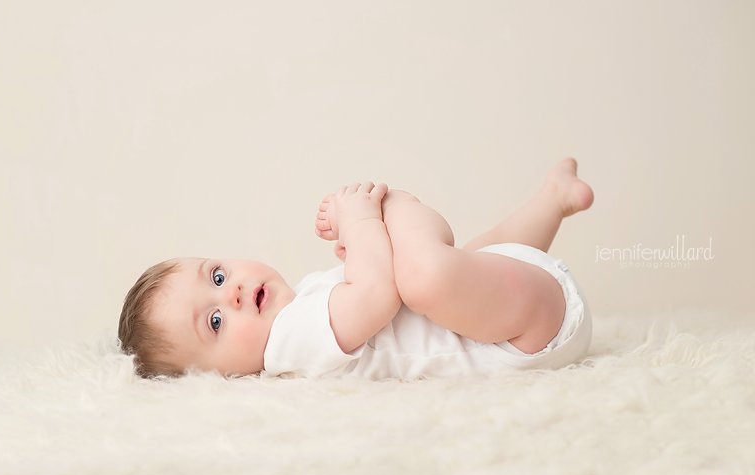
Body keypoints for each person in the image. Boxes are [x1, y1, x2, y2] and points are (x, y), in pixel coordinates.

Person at [118, 158, 594, 379]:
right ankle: (405, 206)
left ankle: (552, 200)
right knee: (425, 279)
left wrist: (366, 252)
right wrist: (365, 221)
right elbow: (378, 295)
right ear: (214, 379)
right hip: (523, 337)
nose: (232, 295)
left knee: (476, 259)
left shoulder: (301, 302)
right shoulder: (287, 344)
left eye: (217, 277)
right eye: (215, 322)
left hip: (512, 308)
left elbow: (370, 293)